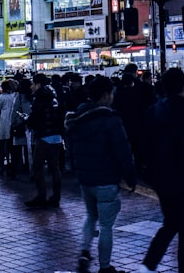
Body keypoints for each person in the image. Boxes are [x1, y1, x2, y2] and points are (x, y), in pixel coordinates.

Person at [66, 76, 136, 273]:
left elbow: (71, 148)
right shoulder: (110, 119)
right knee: (106, 225)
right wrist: (130, 176)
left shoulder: (78, 116)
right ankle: (105, 267)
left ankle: (84, 251)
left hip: (85, 177)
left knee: (90, 215)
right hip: (106, 179)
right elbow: (123, 151)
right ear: (105, 95)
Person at [139, 68, 184, 273]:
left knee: (171, 223)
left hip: (161, 177)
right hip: (182, 177)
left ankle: (148, 265)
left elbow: (145, 144)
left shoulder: (155, 109)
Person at [25, 73, 64, 208]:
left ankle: (41, 196)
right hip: (56, 136)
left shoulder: (39, 98)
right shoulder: (53, 96)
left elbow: (34, 118)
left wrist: (26, 119)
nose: (31, 87)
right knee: (55, 169)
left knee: (37, 167)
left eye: (33, 84)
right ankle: (56, 197)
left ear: (38, 84)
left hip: (44, 137)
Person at [0, 79, 18, 174]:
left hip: (3, 121)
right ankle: (12, 162)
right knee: (11, 144)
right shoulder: (15, 96)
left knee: (2, 143)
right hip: (12, 121)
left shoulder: (2, 97)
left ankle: (1, 163)